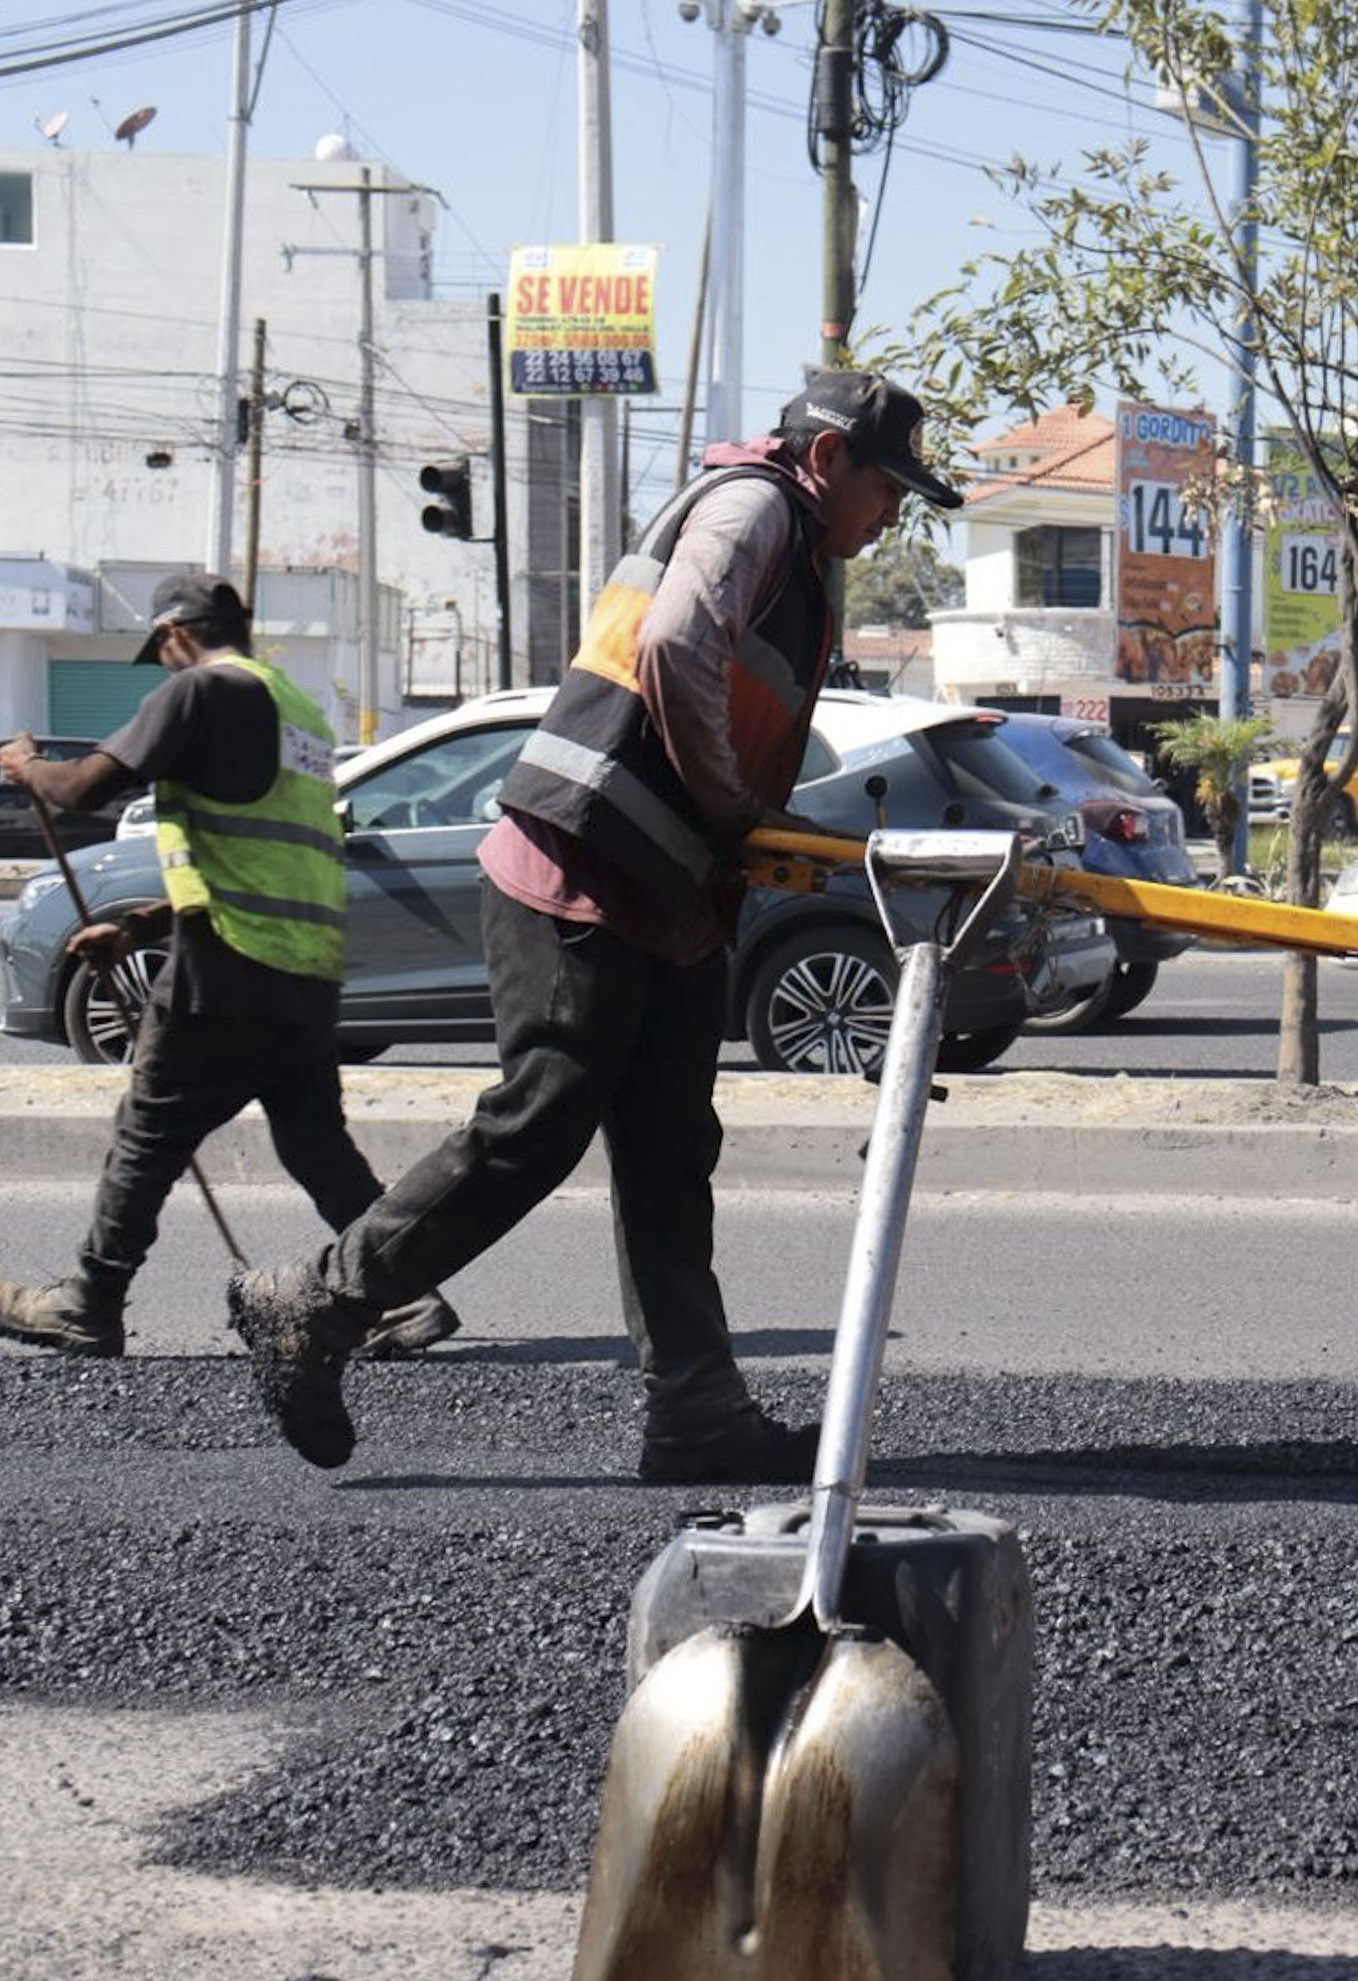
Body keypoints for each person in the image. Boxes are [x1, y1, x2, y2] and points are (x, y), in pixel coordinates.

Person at [224, 371, 967, 1479]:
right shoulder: (756, 508)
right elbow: (673, 647)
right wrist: (730, 807)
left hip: (662, 894)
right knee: (543, 1116)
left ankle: (698, 1414)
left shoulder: (795, 545)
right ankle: (319, 1302)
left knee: (671, 1152)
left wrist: (749, 826)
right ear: (825, 462)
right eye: (887, 486)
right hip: (579, 864)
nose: (894, 512)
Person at [0, 574, 459, 1361]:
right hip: (303, 973)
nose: (165, 669)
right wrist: (138, 924)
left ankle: (89, 1300)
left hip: (227, 971)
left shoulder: (199, 692)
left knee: (148, 1132)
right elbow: (255, 856)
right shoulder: (300, 714)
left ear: (176, 634)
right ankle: (400, 1295)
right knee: (315, 1144)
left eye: (163, 653)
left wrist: (27, 764)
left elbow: (86, 788)